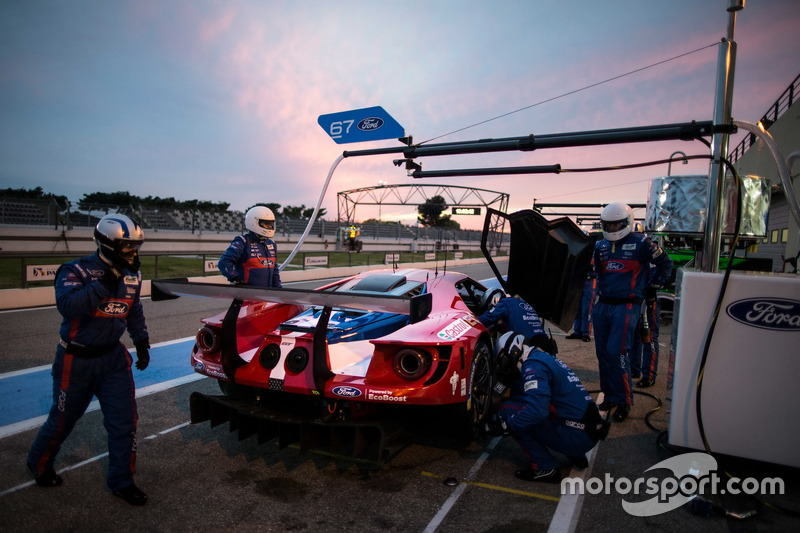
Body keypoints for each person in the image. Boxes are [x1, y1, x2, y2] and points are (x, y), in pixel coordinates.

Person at [27, 214, 151, 506]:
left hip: (112, 359)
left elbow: (133, 308)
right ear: (108, 243)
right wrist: (107, 281)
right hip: (76, 358)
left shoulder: (133, 273)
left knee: (125, 423)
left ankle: (122, 480)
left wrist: (141, 339)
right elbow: (69, 307)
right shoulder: (75, 269)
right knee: (62, 420)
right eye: (126, 246)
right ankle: (39, 463)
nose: (132, 252)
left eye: (135, 245)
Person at [485, 332, 608, 483]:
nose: (504, 365)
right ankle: (577, 456)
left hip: (576, 436)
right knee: (540, 404)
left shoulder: (533, 366)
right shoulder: (542, 358)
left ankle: (545, 467)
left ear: (514, 351)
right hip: (589, 432)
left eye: (503, 360)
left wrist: (505, 425)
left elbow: (536, 411)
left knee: (508, 410)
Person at [591, 203, 672, 422]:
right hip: (603, 306)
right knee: (603, 355)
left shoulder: (642, 243)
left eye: (616, 223)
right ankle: (609, 396)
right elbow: (597, 271)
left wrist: (653, 286)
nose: (612, 227)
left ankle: (625, 401)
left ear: (627, 222)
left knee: (617, 354)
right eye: (608, 224)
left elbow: (666, 264)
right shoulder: (600, 246)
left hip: (626, 306)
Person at [218, 206, 282, 287]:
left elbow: (275, 271)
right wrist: (235, 279)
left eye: (270, 224)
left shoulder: (271, 243)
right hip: (247, 295)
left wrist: (278, 288)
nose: (269, 227)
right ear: (253, 222)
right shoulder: (243, 241)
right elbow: (224, 262)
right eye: (265, 224)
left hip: (266, 295)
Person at [478, 294, 548, 345]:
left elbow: (485, 319)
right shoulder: (525, 304)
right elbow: (517, 325)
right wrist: (499, 325)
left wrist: (472, 319)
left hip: (529, 350)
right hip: (547, 347)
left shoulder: (505, 302)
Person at [565, 260, 596, 342]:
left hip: (590, 280)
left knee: (587, 308)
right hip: (579, 280)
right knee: (576, 308)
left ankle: (585, 333)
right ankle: (577, 331)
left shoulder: (596, 250)